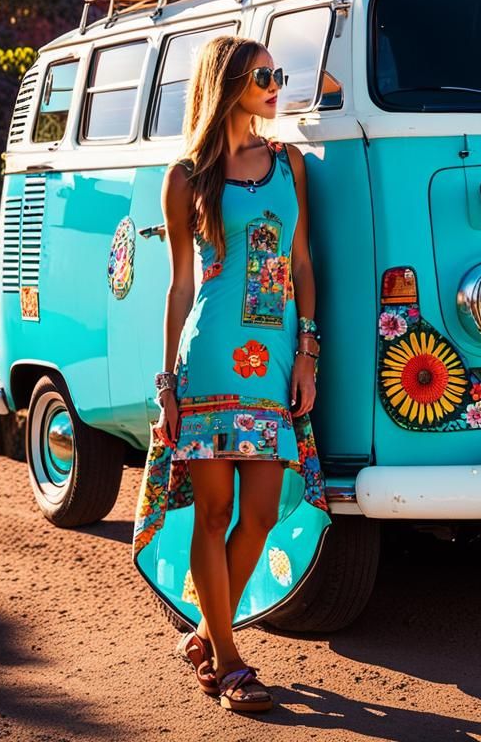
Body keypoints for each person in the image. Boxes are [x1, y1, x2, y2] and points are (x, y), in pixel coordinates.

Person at [132, 35, 328, 713]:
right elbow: (180, 287)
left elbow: (302, 265)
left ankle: (207, 634)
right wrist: (167, 386)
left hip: (273, 361)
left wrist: (308, 352)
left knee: (263, 511)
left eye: (278, 73)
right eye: (263, 76)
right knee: (214, 513)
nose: (276, 85)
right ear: (231, 85)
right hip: (210, 357)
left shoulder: (289, 165)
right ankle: (231, 659)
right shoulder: (186, 176)